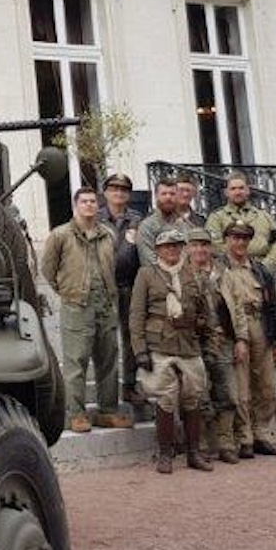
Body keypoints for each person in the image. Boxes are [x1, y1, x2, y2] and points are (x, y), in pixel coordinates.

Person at [42, 187, 134, 432]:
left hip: (105, 304)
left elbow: (113, 265)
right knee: (76, 362)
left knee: (108, 361)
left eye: (93, 201)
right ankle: (76, 413)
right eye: (84, 201)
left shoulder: (108, 234)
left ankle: (108, 410)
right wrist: (67, 291)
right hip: (77, 306)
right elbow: (48, 270)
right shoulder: (60, 235)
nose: (89, 205)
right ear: (76, 205)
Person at [205, 170, 276, 417]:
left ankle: (268, 406)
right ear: (226, 192)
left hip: (260, 280)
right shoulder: (217, 218)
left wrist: (265, 267)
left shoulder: (263, 216)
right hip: (232, 279)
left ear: (248, 190)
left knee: (265, 362)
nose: (237, 192)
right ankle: (245, 423)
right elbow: (215, 246)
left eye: (241, 187)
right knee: (241, 374)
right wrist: (237, 259)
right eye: (233, 188)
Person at [129, 225, 214, 474]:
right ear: (158, 250)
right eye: (167, 247)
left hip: (188, 343)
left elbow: (206, 312)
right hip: (159, 343)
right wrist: (139, 350)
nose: (172, 251)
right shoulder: (147, 274)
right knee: (166, 398)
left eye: (176, 246)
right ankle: (165, 454)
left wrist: (207, 340)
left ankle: (193, 453)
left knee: (193, 396)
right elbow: (136, 314)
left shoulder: (193, 274)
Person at [220, 221, 276, 458]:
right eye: (235, 238)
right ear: (227, 240)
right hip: (235, 328)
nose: (240, 243)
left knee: (267, 385)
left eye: (244, 238)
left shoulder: (260, 270)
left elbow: (273, 306)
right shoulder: (220, 268)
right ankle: (244, 436)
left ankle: (261, 432)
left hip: (260, 324)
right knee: (241, 386)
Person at [188, 225, 243, 465]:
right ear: (187, 249)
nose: (200, 249)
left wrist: (241, 339)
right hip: (194, 342)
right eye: (195, 245)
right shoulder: (182, 274)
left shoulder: (223, 273)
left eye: (204, 245)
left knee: (227, 393)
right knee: (198, 394)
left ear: (211, 248)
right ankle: (199, 444)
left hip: (223, 340)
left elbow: (237, 308)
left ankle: (226, 444)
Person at [98, 172, 145, 407]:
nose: (119, 193)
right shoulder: (96, 218)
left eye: (123, 190)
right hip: (103, 288)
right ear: (105, 192)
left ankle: (129, 385)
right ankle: (106, 392)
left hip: (129, 286)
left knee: (131, 337)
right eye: (114, 189)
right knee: (106, 340)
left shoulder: (137, 220)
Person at [136, 175, 184, 267]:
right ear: (156, 196)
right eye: (164, 194)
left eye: (172, 194)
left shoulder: (184, 225)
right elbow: (148, 261)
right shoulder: (147, 226)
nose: (168, 197)